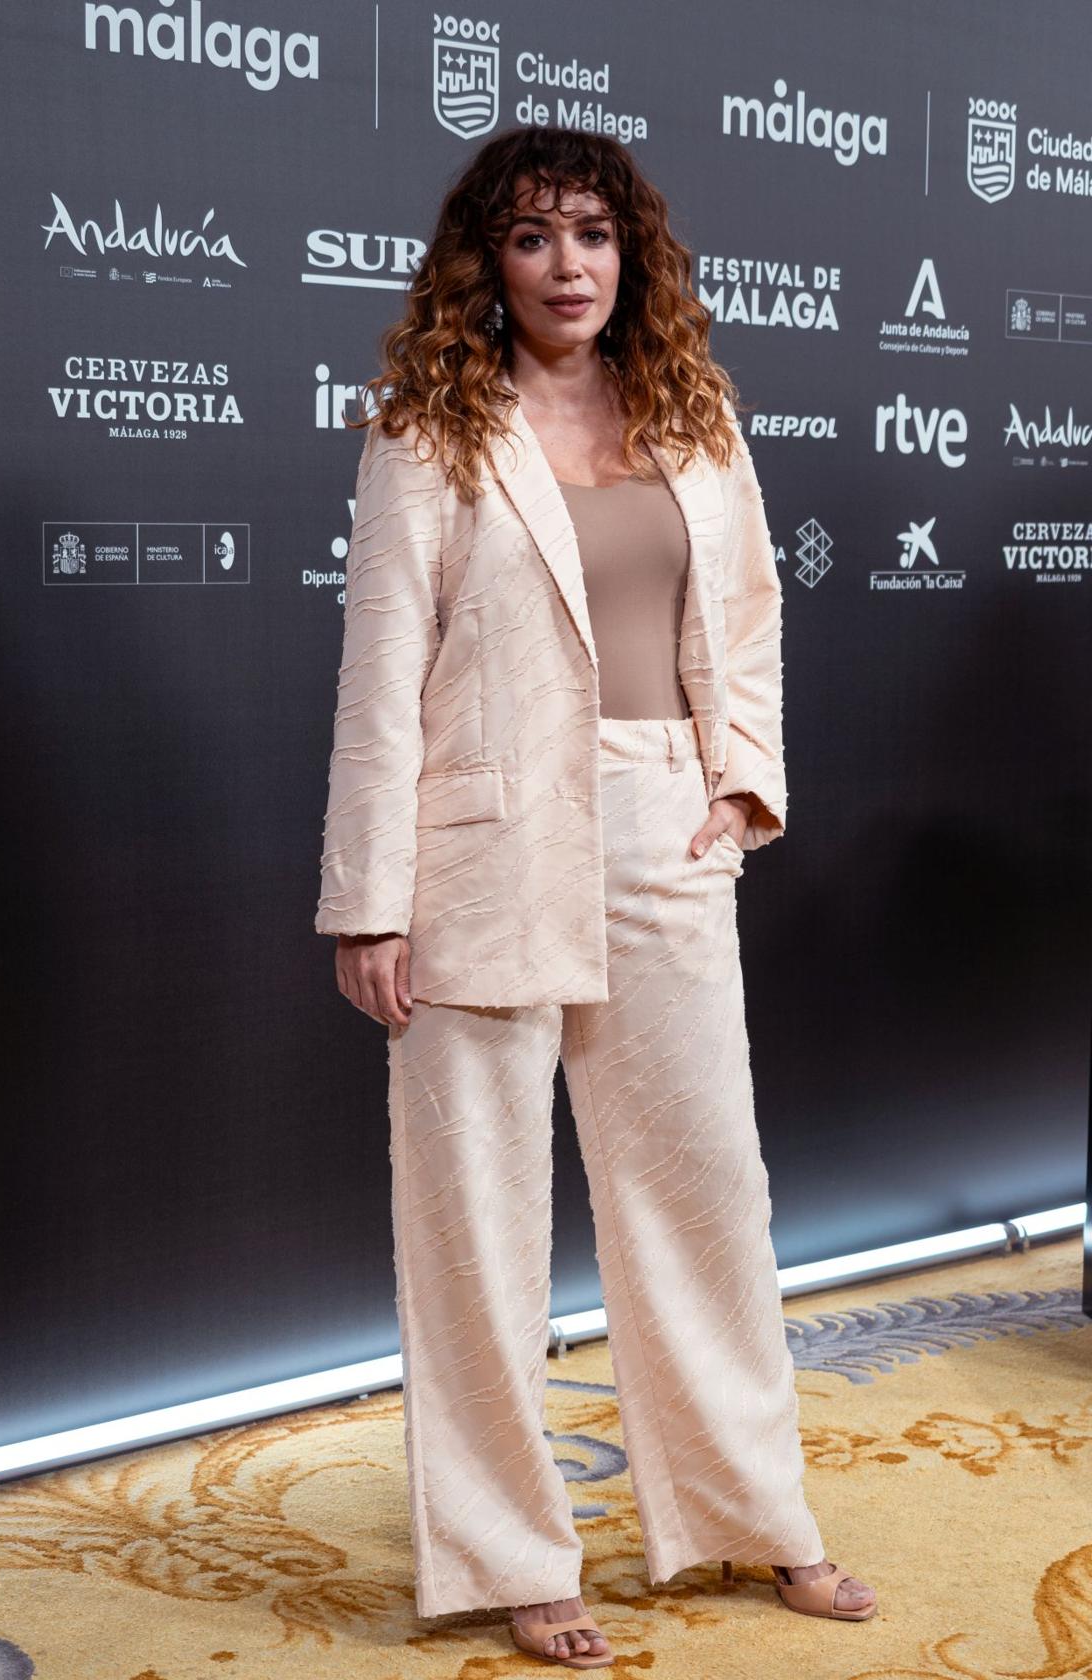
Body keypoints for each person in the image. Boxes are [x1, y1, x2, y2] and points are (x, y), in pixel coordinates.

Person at [315, 126, 877, 1669]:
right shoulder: (427, 426)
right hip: (477, 848)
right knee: (477, 1222)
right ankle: (517, 1560)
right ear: (483, 267)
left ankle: (759, 1521)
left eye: (592, 236)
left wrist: (732, 785)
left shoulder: (691, 414)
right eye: (532, 239)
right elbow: (379, 682)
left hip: (660, 823)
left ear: (631, 255)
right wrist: (370, 900)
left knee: (706, 1197)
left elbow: (745, 615)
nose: (569, 266)